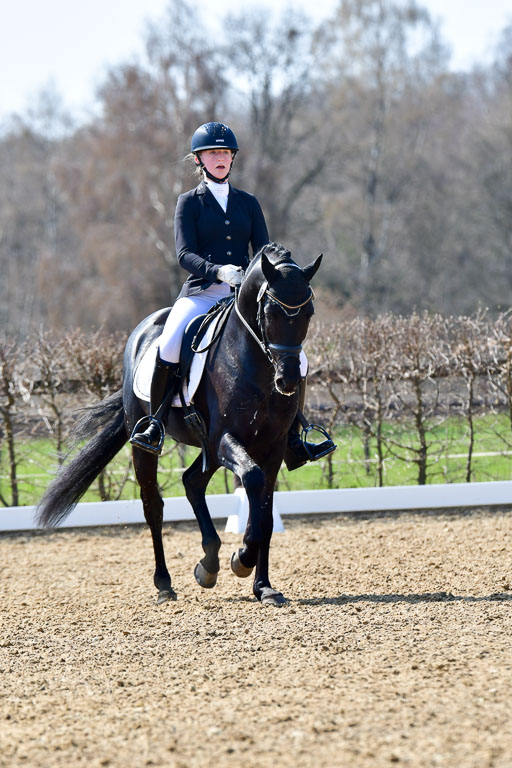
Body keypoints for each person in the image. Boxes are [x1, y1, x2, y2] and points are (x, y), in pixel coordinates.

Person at [130, 121, 335, 469]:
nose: (220, 158)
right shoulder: (188, 204)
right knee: (169, 342)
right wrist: (217, 271)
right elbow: (183, 254)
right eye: (213, 153)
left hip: (244, 298)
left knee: (296, 359)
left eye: (225, 152)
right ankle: (155, 422)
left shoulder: (248, 203)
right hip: (202, 293)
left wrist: (283, 275)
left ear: (232, 158)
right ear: (200, 160)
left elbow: (266, 251)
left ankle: (296, 436)